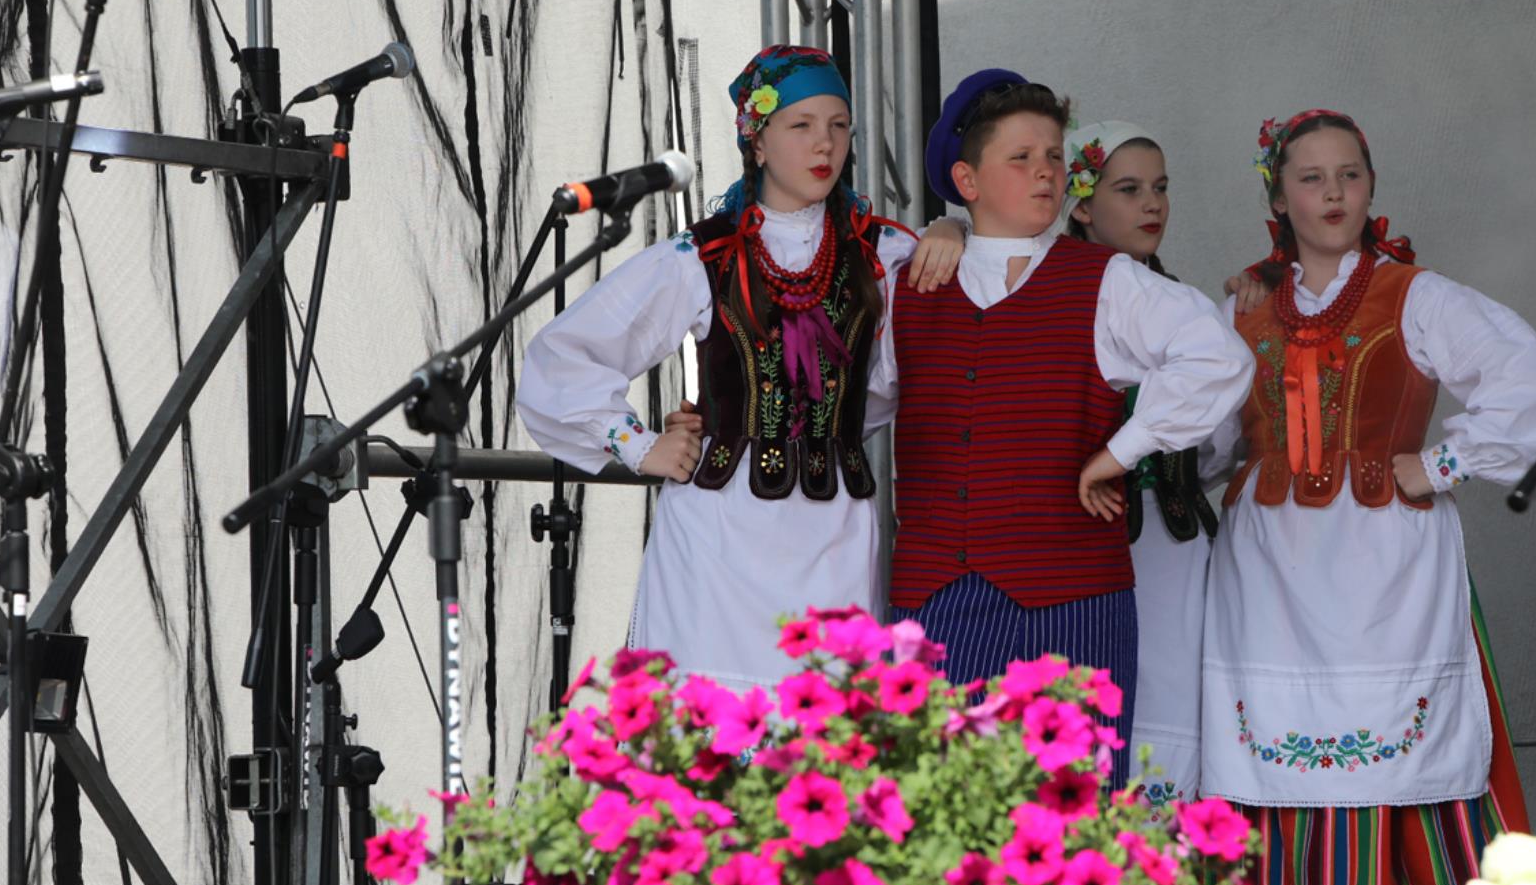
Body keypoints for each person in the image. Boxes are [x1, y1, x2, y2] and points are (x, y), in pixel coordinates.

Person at [1200, 109, 1536, 885]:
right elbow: (1202, 434)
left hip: (1387, 573)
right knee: (1281, 801)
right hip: (1270, 578)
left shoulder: (1417, 295)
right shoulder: (1241, 306)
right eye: (1311, 177)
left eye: (1350, 175)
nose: (1333, 193)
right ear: (1277, 196)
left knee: (1386, 797)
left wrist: (1442, 463)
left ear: (1372, 186)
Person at [517, 45, 961, 691]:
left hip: (835, 538)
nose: (825, 143)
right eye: (801, 124)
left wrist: (955, 230)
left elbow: (921, 364)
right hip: (717, 537)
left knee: (824, 723)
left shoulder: (883, 251)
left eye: (839, 125)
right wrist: (637, 443)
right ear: (757, 141)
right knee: (712, 724)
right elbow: (563, 356)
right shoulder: (704, 255)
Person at [882, 70, 1253, 790]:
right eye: (1021, 158)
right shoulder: (909, 281)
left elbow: (1219, 358)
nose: (1046, 172)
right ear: (967, 179)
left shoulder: (1107, 280)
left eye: (1054, 155)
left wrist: (1121, 451)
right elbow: (847, 399)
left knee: (1070, 813)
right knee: (941, 812)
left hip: (1075, 601)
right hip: (937, 598)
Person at [1064, 121, 1223, 806]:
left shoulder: (1182, 303)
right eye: (1128, 190)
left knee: (1174, 699)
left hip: (1175, 541)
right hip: (1089, 539)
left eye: (1159, 187)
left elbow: (1218, 442)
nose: (1152, 204)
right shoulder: (1054, 294)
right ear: (1081, 203)